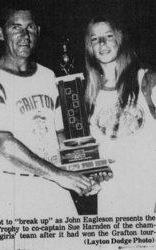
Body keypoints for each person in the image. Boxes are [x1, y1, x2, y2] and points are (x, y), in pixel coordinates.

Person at [0, 3, 99, 219]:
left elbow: (59, 135)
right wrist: (61, 175)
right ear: (0, 33)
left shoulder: (48, 75)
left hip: (53, 184)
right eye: (16, 27)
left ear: (38, 32)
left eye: (30, 27)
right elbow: (4, 144)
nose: (24, 35)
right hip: (11, 187)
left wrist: (84, 171)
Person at [85, 15, 156, 215]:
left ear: (120, 39)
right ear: (89, 46)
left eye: (108, 36)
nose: (102, 43)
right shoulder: (89, 93)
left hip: (148, 190)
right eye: (95, 38)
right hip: (111, 195)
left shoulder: (147, 79)